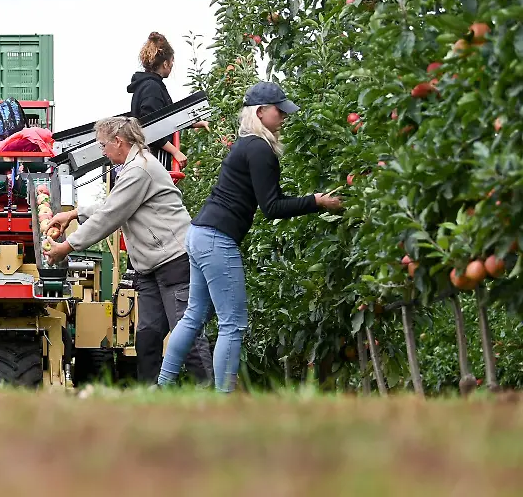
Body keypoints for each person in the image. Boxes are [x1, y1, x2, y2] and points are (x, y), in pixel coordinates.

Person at [157, 82, 343, 393]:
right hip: (217, 239)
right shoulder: (259, 148)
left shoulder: (245, 145)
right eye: (279, 110)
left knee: (194, 315)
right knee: (233, 323)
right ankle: (224, 397)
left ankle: (162, 385)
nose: (283, 116)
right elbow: (272, 207)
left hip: (200, 233)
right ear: (260, 112)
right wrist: (317, 201)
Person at [43, 117, 213, 385]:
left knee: (186, 333)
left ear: (118, 142)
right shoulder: (132, 168)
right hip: (150, 268)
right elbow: (114, 204)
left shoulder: (140, 169)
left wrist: (67, 246)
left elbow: (111, 214)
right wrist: (73, 214)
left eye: (102, 146)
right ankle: (149, 397)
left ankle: (210, 396)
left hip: (174, 261)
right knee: (147, 336)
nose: (102, 151)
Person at [127, 32, 208, 171]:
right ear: (165, 63)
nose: (172, 66)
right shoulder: (152, 88)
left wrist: (196, 123)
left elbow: (167, 119)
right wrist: (175, 151)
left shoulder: (148, 86)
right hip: (152, 160)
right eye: (172, 62)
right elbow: (150, 127)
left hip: (148, 158)